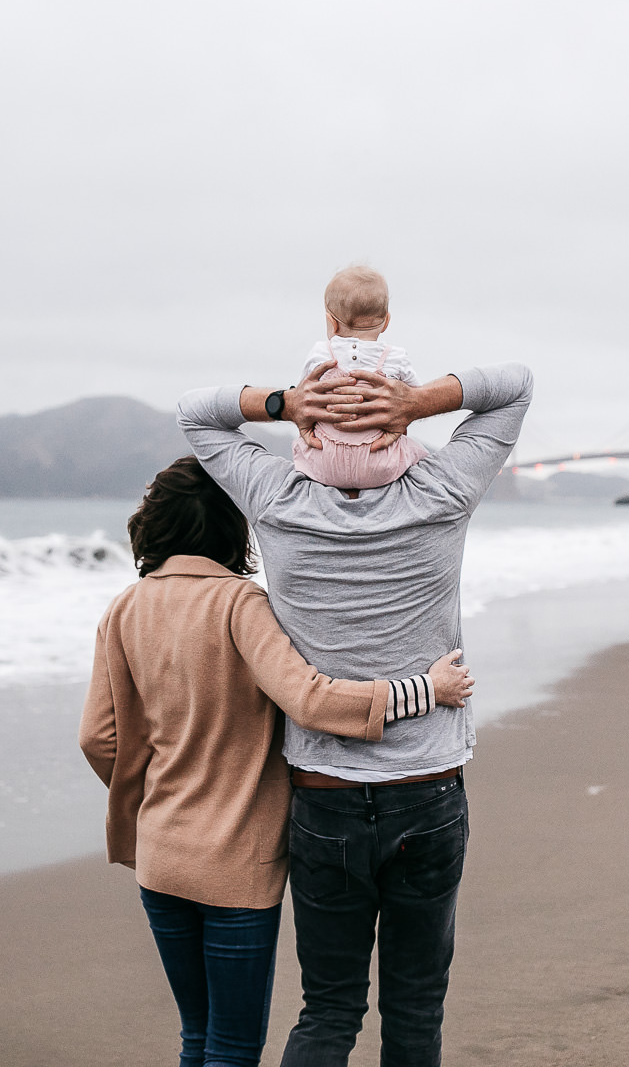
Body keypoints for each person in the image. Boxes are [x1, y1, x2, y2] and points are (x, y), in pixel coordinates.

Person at [179, 353, 532, 1067]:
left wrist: (286, 404)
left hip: (324, 799)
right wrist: (417, 402)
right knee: (415, 1008)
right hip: (427, 790)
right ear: (396, 427)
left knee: (330, 1009)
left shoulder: (274, 498)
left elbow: (196, 412)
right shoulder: (441, 491)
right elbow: (515, 385)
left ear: (311, 434)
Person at [79, 456, 473, 1067]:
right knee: (234, 1049)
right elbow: (309, 699)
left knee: (196, 1038)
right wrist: (425, 689)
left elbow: (98, 739)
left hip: (160, 854)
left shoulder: (125, 608)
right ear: (232, 528)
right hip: (236, 859)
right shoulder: (240, 605)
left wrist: (160, 796)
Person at [291, 264, 428, 491]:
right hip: (378, 461)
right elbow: (418, 401)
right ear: (386, 321)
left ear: (331, 322)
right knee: (418, 454)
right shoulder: (396, 357)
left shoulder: (320, 353)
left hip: (325, 462)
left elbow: (300, 397)